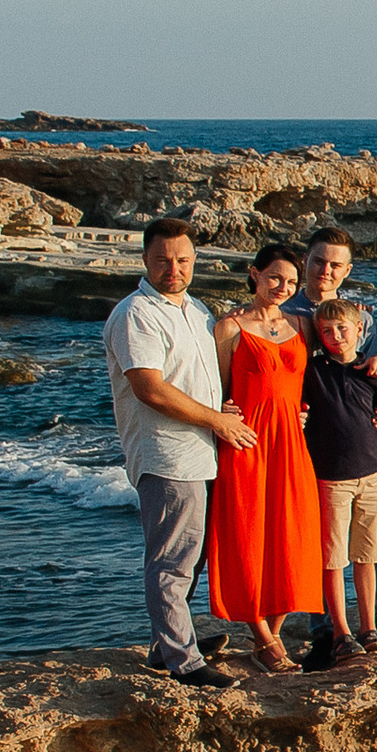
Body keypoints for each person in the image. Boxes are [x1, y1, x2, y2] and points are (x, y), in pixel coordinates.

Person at [103, 216, 256, 688]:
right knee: (173, 559)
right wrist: (218, 421)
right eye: (163, 261)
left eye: (183, 260)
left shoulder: (195, 309)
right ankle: (183, 662)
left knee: (194, 554)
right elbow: (150, 388)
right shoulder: (136, 314)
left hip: (202, 450)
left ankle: (166, 643)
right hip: (167, 454)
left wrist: (222, 408)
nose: (174, 269)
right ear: (145, 260)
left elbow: (195, 379)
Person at [286, 227, 377, 646]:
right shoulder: (287, 313)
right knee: (325, 544)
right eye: (319, 260)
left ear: (347, 269)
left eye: (335, 264)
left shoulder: (363, 317)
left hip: (364, 450)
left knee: (375, 539)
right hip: (318, 449)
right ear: (305, 260)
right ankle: (326, 628)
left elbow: (369, 371)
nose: (326, 270)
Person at [207, 242, 324, 673]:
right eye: (275, 277)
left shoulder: (302, 324)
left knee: (293, 536)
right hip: (248, 442)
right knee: (246, 536)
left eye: (291, 281)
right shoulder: (229, 328)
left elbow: (336, 354)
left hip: (292, 443)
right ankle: (264, 640)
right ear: (254, 274)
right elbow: (216, 390)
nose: (283, 287)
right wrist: (222, 411)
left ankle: (270, 636)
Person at [301, 298, 377, 669]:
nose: (336, 336)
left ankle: (369, 627)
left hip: (371, 474)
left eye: (343, 328)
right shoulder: (312, 372)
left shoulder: (373, 373)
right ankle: (341, 632)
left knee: (366, 554)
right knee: (333, 557)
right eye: (327, 331)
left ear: (359, 330)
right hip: (330, 478)